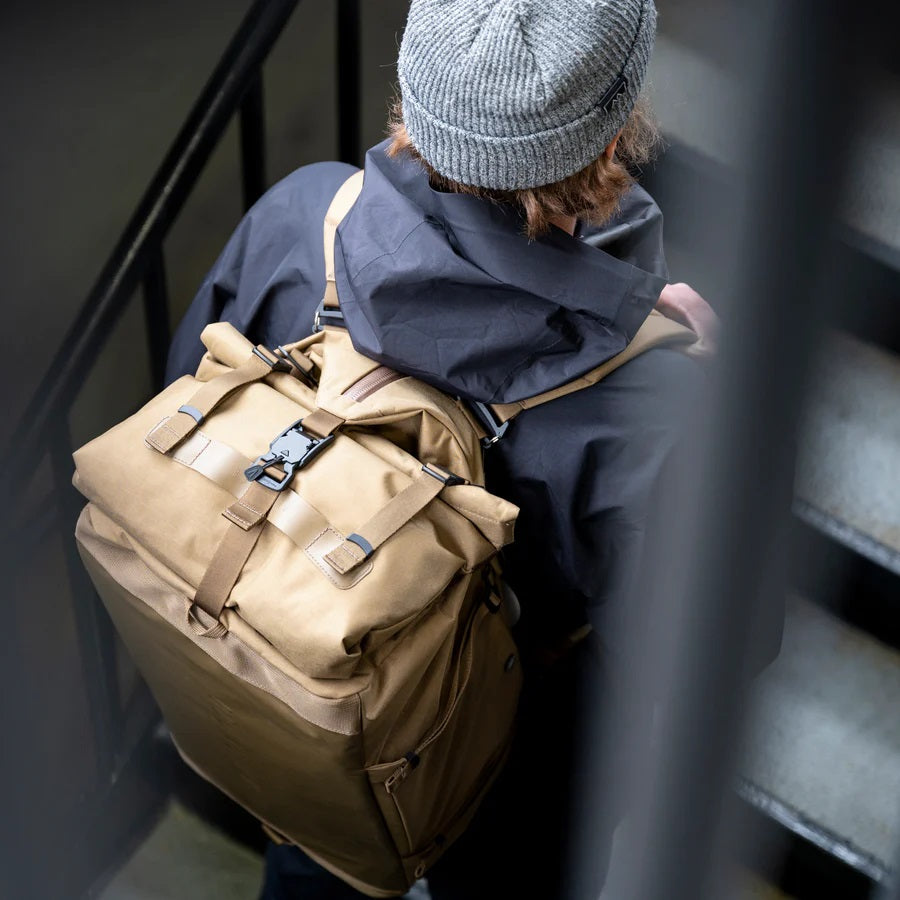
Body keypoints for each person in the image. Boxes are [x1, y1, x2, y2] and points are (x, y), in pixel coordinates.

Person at [164, 1, 773, 897]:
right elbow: (723, 649)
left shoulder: (301, 222)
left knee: (317, 861)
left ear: (414, 92)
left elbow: (187, 404)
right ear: (614, 139)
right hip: (509, 783)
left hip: (302, 694)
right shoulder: (649, 413)